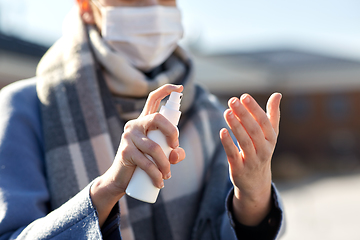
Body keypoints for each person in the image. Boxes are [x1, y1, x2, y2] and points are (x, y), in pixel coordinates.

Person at [0, 0, 285, 239]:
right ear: (86, 6)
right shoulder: (23, 109)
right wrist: (106, 190)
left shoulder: (213, 116)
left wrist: (255, 197)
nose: (152, 6)